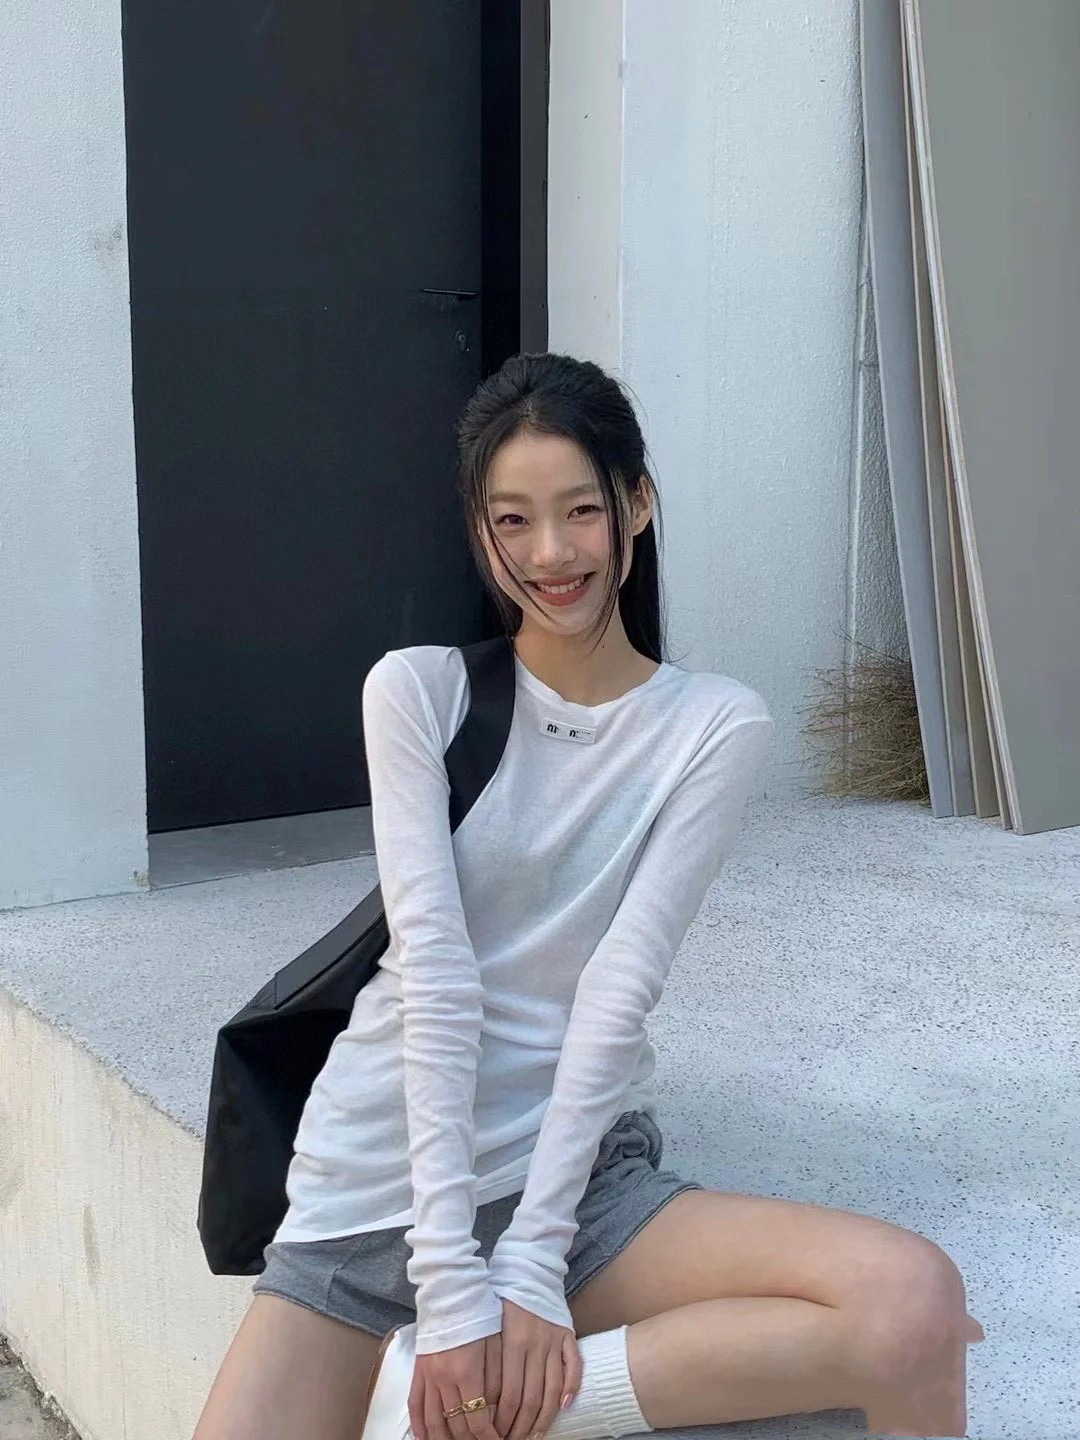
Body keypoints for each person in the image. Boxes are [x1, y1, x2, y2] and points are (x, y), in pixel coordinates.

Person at [193, 353, 984, 1440]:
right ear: (480, 532)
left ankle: (475, 1407)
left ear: (637, 503)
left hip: (571, 1192)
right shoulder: (419, 691)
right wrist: (453, 1287)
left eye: (580, 510)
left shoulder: (710, 725)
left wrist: (528, 1262)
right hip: (377, 1187)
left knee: (913, 1304)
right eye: (512, 521)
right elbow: (435, 978)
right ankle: (441, 1371)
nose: (550, 553)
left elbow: (619, 988)